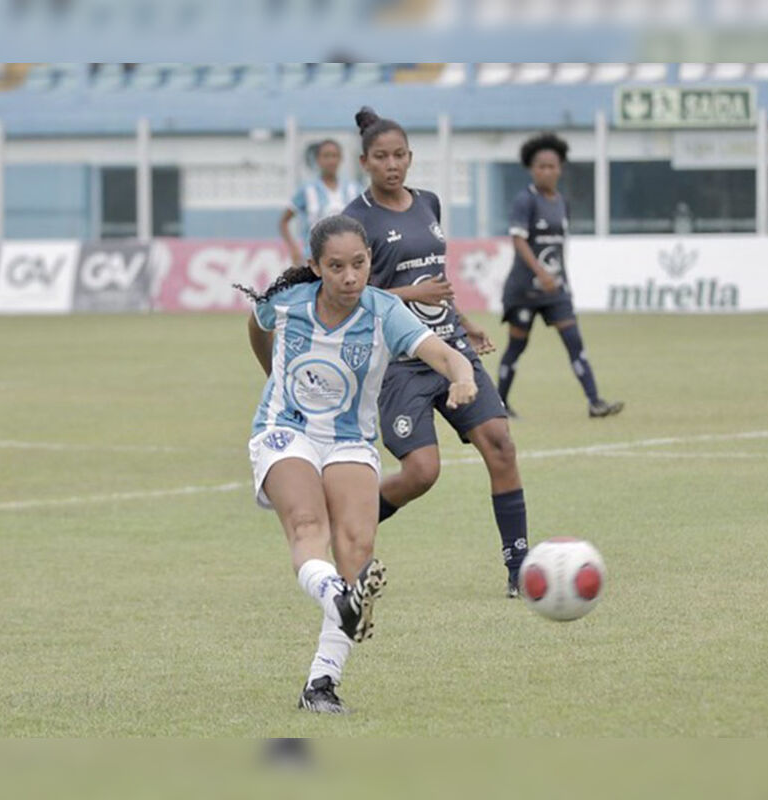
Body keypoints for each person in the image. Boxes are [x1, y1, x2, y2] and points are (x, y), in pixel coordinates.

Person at [240, 214, 477, 714]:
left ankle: (320, 685)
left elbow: (446, 355)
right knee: (309, 526)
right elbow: (256, 325)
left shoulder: (384, 311)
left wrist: (462, 377)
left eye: (360, 264)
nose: (350, 277)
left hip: (348, 439)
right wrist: (270, 374)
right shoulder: (286, 304)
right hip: (287, 430)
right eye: (336, 267)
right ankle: (340, 599)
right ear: (315, 267)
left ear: (370, 261)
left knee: (357, 550)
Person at [342, 106, 531, 598]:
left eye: (400, 155)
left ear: (411, 157)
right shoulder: (354, 219)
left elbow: (435, 282)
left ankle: (519, 567)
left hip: (448, 349)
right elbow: (350, 293)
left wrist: (463, 323)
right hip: (399, 362)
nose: (392, 165)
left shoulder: (429, 203)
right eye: (381, 157)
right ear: (365, 161)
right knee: (422, 473)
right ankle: (350, 517)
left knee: (501, 444)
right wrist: (411, 298)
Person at [497, 132, 623, 420]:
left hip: (556, 290)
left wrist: (559, 279)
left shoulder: (561, 203)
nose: (547, 171)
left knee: (574, 340)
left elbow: (558, 246)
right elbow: (518, 241)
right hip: (525, 290)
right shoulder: (524, 201)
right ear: (531, 169)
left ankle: (595, 402)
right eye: (541, 166)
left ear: (560, 169)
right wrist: (541, 272)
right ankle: (500, 404)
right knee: (517, 346)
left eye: (552, 166)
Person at [278, 139, 362, 266]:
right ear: (318, 160)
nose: (331, 161)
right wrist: (294, 248)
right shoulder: (307, 190)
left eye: (334, 156)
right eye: (326, 156)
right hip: (313, 260)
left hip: (347, 261)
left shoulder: (353, 189)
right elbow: (284, 221)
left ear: (341, 159)